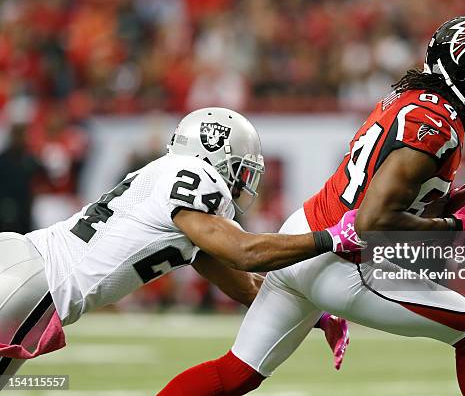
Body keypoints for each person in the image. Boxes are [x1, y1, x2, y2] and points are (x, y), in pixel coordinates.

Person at [160, 16, 465, 396]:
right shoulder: (435, 128)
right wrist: (454, 227)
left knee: (236, 372)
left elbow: (378, 198)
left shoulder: (411, 100)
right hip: (340, 262)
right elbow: (371, 222)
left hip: (302, 234)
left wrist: (445, 206)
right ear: (463, 71)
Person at [0, 107, 364, 389]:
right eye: (240, 168)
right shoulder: (197, 177)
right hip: (33, 285)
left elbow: (244, 283)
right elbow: (244, 251)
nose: (243, 182)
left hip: (24, 267)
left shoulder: (175, 190)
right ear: (214, 156)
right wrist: (330, 237)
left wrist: (317, 315)